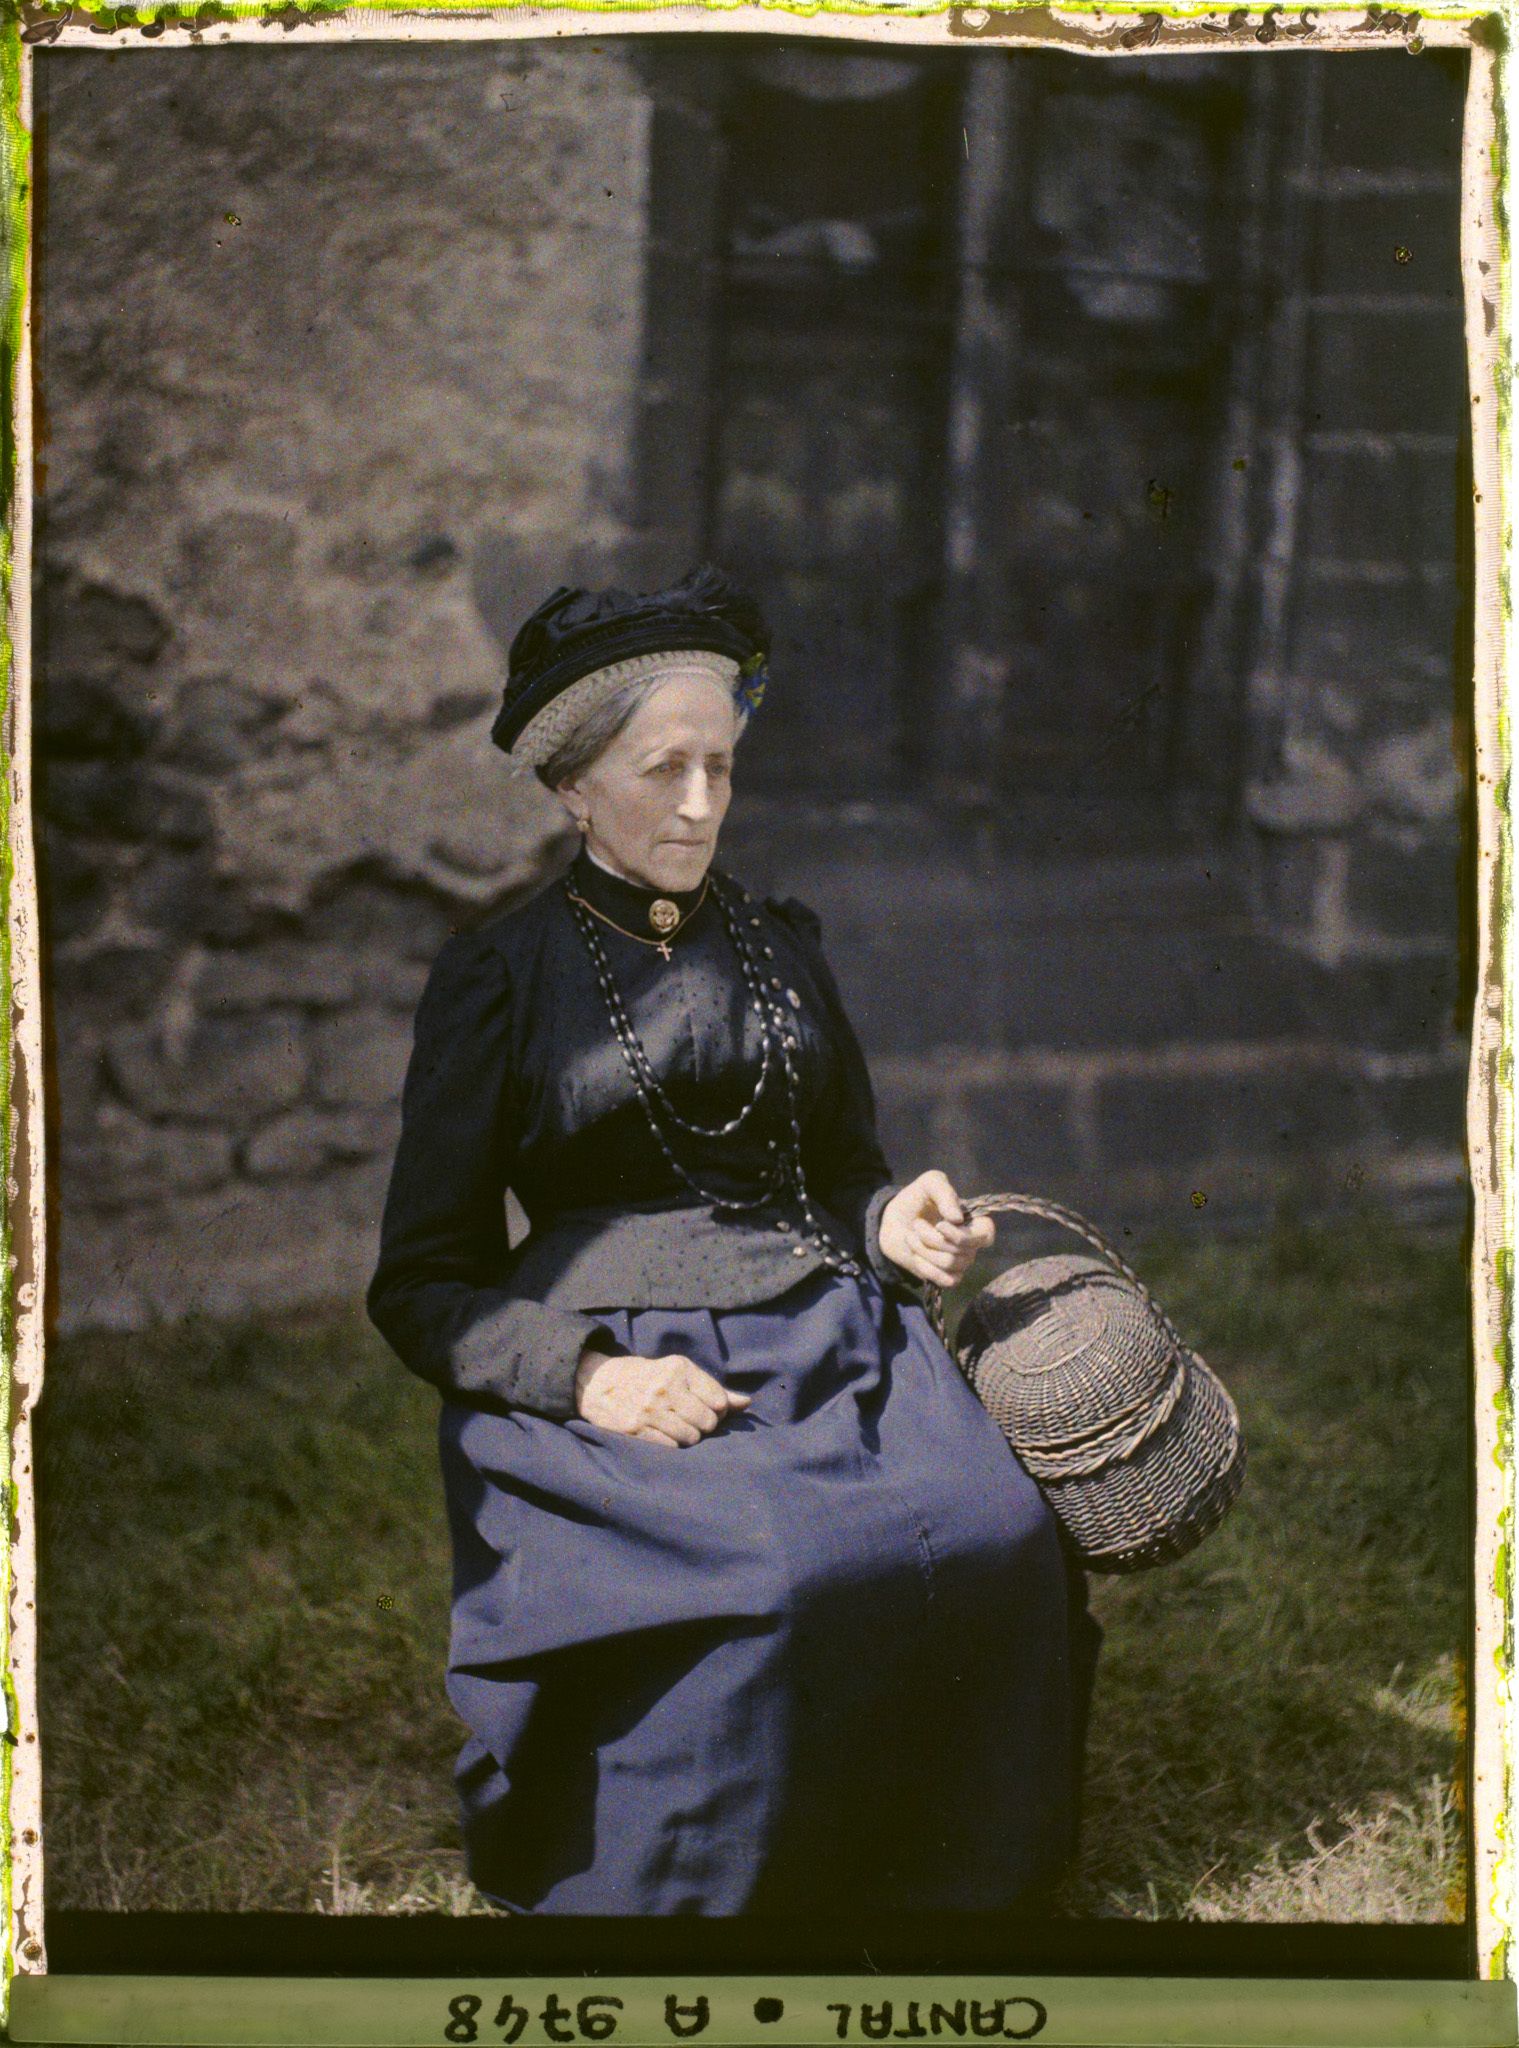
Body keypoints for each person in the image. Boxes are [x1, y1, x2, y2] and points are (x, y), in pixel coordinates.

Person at [368, 565, 1094, 1917]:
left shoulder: (779, 944)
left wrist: (894, 1223)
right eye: (664, 771)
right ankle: (724, 1884)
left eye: (722, 767)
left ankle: (941, 1884)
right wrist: (591, 1379)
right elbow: (418, 1283)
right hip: (623, 1363)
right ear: (574, 784)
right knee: (783, 1571)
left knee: (1000, 1532)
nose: (701, 805)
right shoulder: (500, 980)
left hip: (830, 1324)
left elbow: (847, 1171)